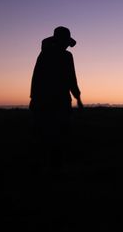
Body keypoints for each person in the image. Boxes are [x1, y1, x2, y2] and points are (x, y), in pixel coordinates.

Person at [29, 26, 83, 173]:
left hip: (39, 100)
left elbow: (37, 79)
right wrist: (78, 98)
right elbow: (71, 79)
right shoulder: (66, 56)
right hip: (58, 102)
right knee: (59, 135)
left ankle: (42, 167)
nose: (67, 45)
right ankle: (55, 169)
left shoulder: (43, 53)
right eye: (65, 42)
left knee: (41, 135)